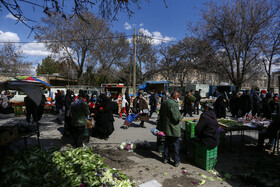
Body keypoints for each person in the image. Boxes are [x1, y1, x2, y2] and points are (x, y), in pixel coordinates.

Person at [157, 91, 182, 167]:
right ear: (175, 96)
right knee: (175, 145)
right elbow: (176, 118)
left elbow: (160, 115)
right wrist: (180, 117)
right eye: (177, 97)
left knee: (166, 144)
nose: (178, 98)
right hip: (173, 128)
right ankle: (176, 161)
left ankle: (165, 158)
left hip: (166, 127)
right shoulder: (173, 104)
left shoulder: (164, 102)